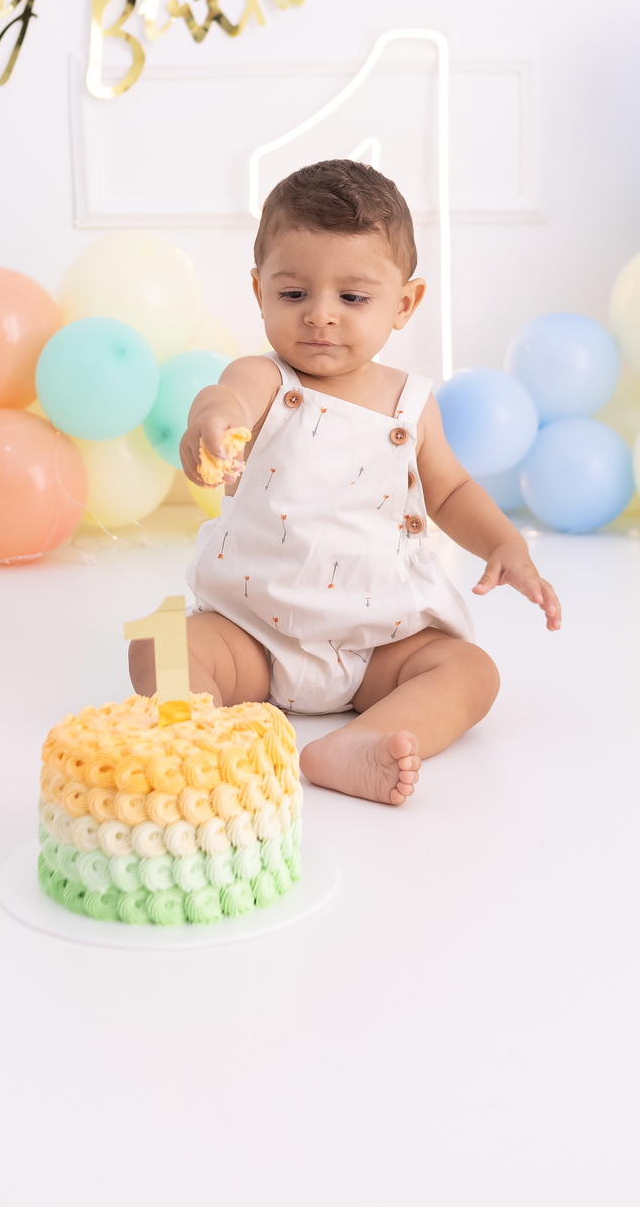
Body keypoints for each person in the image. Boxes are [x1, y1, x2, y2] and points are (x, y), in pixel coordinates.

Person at [128, 159, 561, 807]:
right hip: (252, 631)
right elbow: (224, 402)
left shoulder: (410, 404)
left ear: (404, 303)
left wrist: (504, 542)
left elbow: (448, 492)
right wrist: (211, 431)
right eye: (294, 294)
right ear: (259, 291)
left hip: (378, 642)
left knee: (470, 672)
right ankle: (197, 739)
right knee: (157, 641)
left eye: (352, 298)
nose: (320, 317)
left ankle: (362, 742)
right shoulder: (268, 379)